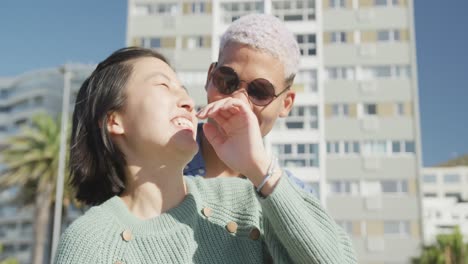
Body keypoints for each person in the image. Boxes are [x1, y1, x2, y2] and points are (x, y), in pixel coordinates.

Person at [54, 47, 356, 263]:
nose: (186, 100)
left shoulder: (245, 201)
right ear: (114, 120)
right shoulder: (89, 241)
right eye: (163, 85)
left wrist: (259, 167)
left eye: (184, 88)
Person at [184, 14, 314, 193]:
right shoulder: (155, 158)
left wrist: (262, 175)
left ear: (286, 104)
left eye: (260, 91)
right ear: (209, 77)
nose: (238, 101)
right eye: (227, 80)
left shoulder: (299, 196)